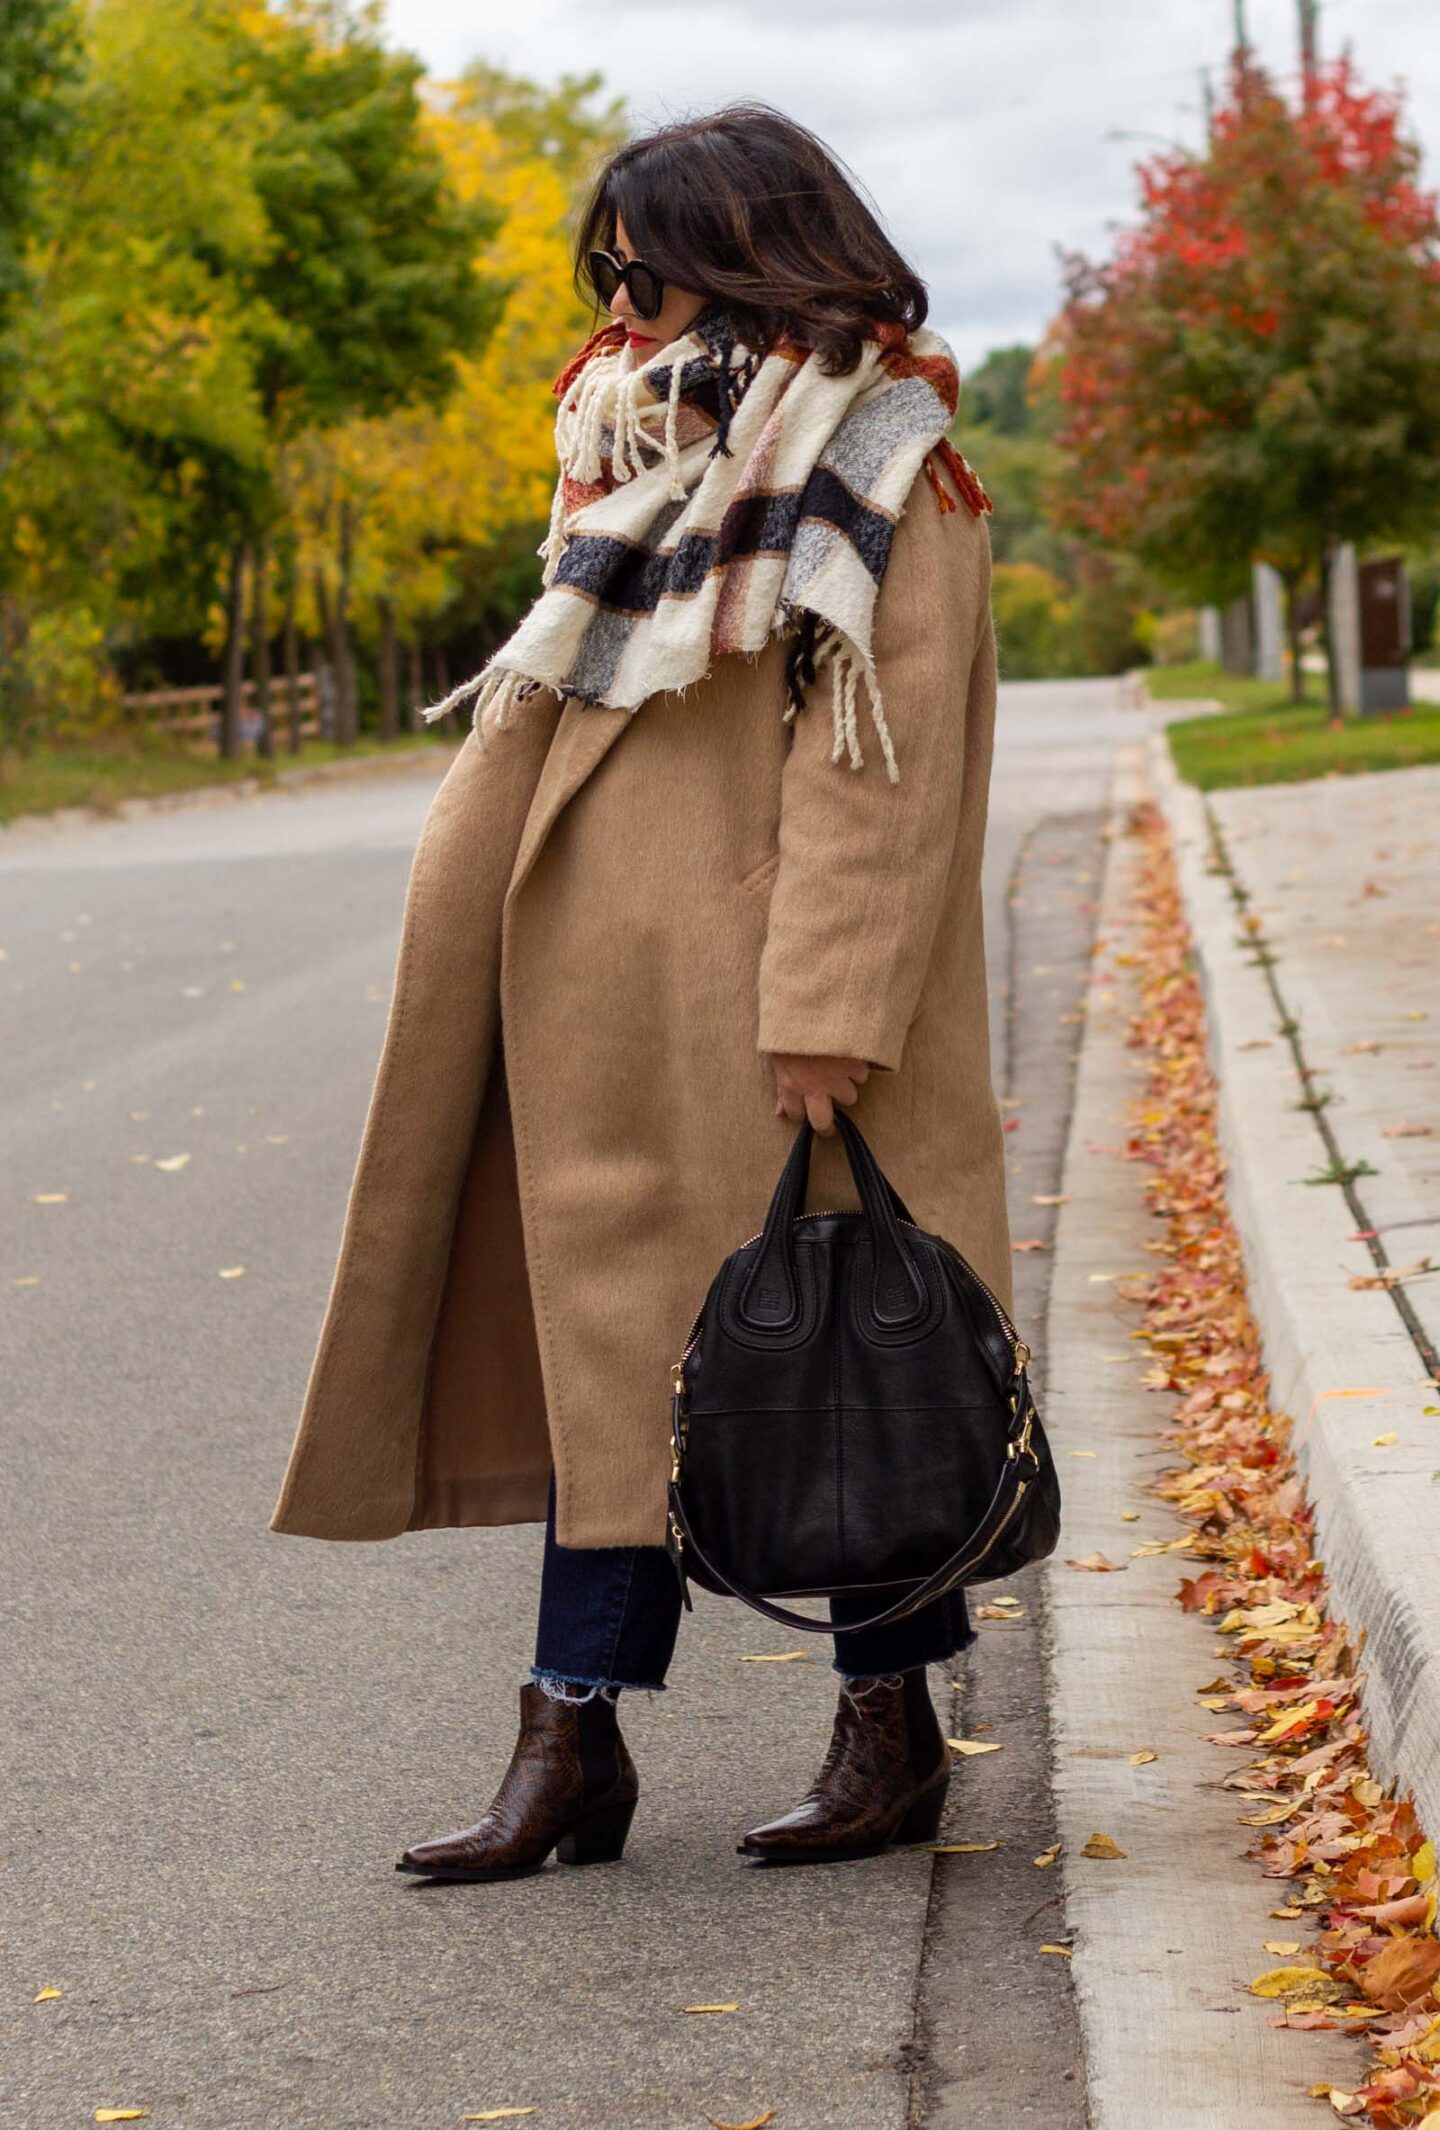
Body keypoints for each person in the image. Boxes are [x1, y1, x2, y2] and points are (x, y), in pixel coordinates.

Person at [269, 102, 1013, 1881]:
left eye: (652, 266)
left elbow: (879, 764)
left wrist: (825, 1003)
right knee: (608, 1369)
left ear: (752, 253)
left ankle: (889, 1724)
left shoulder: (886, 449)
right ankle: (568, 1737)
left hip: (762, 1009)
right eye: (614, 271)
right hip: (588, 991)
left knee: (828, 1358)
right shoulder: (626, 450)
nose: (627, 305)